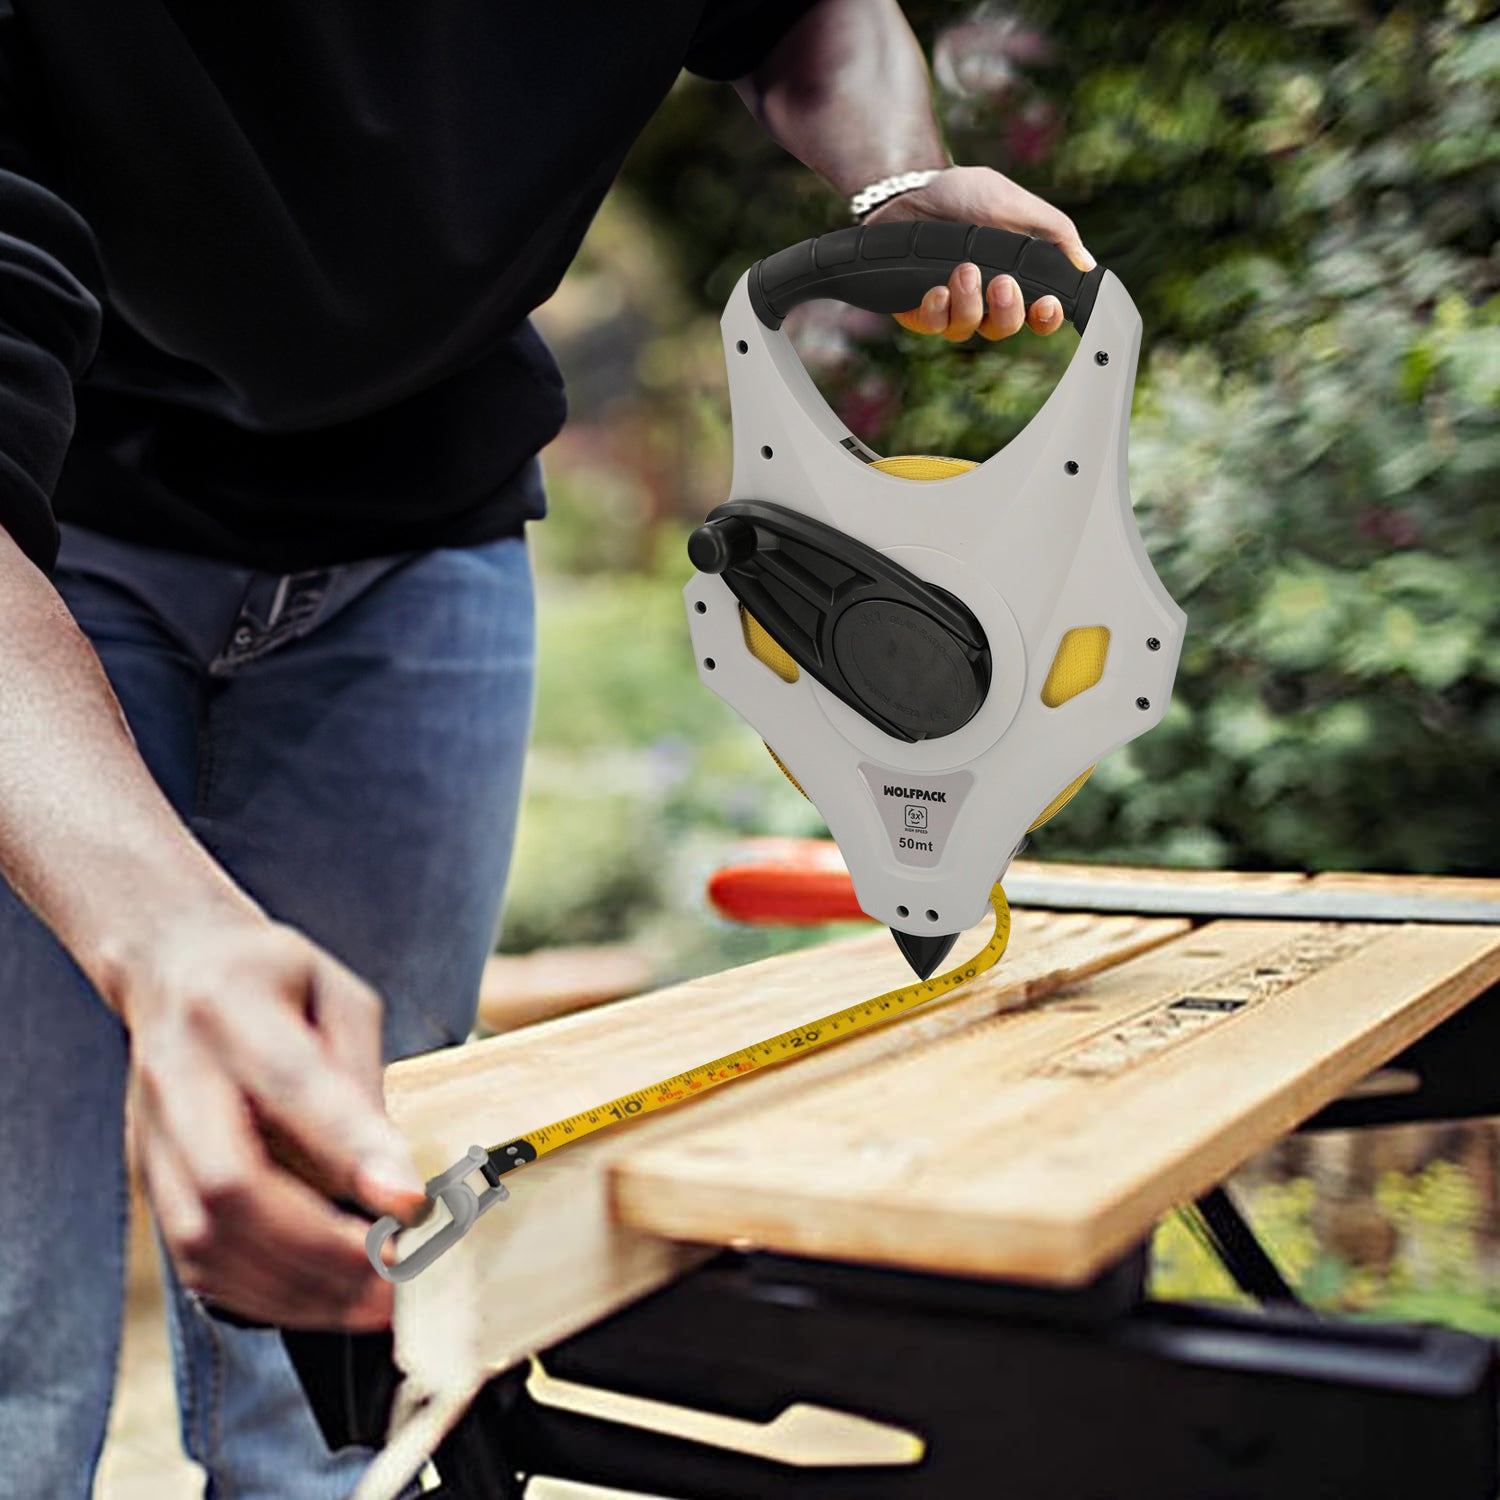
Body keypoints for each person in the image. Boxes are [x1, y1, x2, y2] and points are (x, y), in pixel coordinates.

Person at [0, 0, 1093, 1494]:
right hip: (49, 539)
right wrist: (169, 937)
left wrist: (896, 174)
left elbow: (803, 13)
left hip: (422, 523)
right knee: (16, 1328)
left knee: (352, 1336)